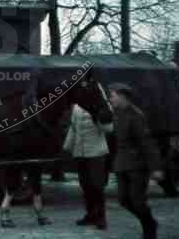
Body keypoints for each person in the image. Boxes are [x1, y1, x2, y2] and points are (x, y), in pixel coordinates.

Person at [108, 83, 163, 239]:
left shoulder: (136, 115)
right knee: (123, 200)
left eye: (112, 95)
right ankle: (150, 222)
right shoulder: (117, 114)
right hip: (121, 164)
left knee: (138, 201)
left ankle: (149, 228)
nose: (110, 99)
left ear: (122, 96)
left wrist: (156, 168)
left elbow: (147, 143)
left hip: (137, 165)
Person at [63, 102, 113, 230]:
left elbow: (108, 129)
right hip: (80, 152)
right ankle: (91, 215)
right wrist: (67, 147)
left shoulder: (102, 105)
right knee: (85, 186)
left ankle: (101, 218)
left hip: (96, 153)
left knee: (97, 185)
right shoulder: (76, 106)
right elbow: (73, 128)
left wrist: (98, 115)